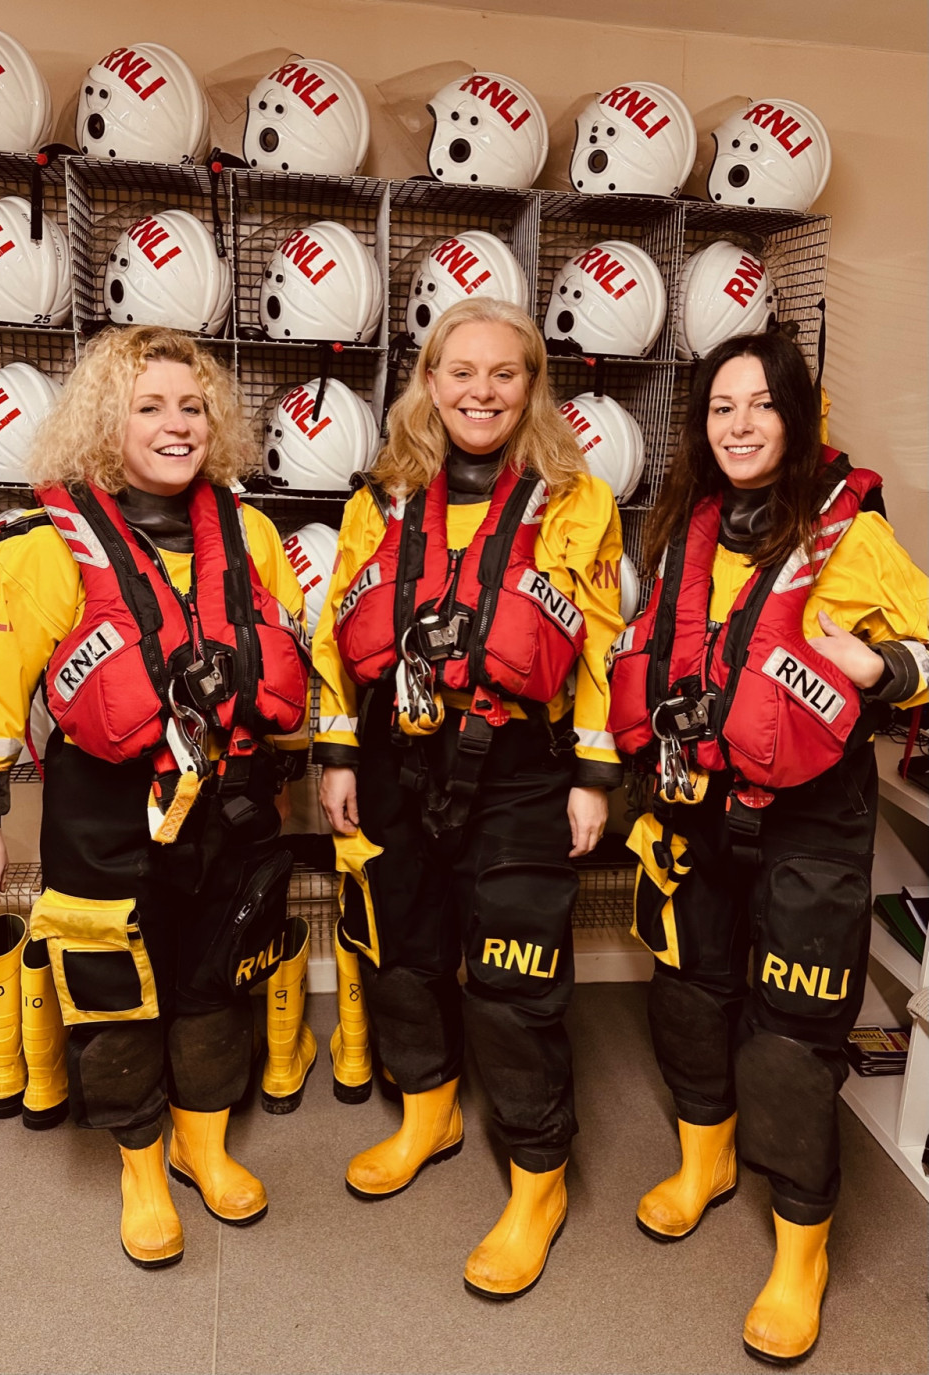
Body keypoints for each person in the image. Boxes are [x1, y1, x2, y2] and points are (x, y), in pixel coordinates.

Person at [0, 325, 311, 1269]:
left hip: (229, 799)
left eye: (191, 406)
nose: (176, 423)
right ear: (107, 422)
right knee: (112, 986)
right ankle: (142, 1161)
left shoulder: (253, 534)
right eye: (149, 406)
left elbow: (285, 666)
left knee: (215, 968)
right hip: (103, 807)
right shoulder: (38, 548)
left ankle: (202, 1137)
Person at [608, 329, 928, 1363]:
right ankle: (704, 1162)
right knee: (689, 991)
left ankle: (801, 1245)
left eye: (760, 405)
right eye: (720, 408)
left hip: (810, 816)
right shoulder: (680, 531)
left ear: (795, 418)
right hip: (690, 803)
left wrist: (880, 668)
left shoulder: (852, 539)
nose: (740, 424)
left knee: (792, 1034)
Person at [311, 297, 624, 1300]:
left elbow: (604, 648)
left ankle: (538, 1179)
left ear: (531, 385)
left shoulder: (578, 501)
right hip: (395, 760)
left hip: (520, 771)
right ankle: (430, 1109)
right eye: (460, 371)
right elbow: (331, 641)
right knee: (400, 952)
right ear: (428, 380)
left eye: (504, 373)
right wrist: (338, 753)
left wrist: (592, 776)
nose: (480, 393)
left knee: (513, 978)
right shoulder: (382, 496)